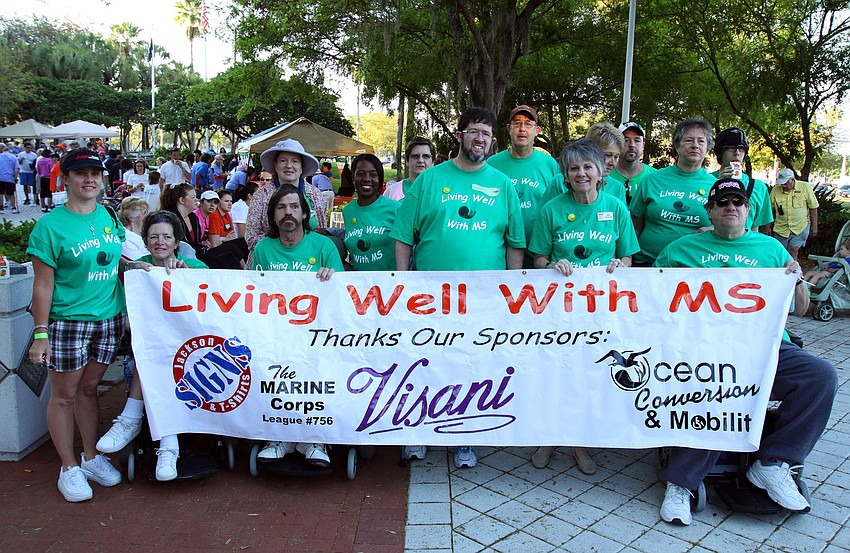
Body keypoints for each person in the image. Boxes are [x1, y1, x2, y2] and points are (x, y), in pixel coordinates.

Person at [653, 178, 836, 525]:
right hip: (704, 352)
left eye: (738, 202)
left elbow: (800, 309)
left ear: (749, 211)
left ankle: (774, 463)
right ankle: (680, 483)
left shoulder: (770, 250)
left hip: (766, 349)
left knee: (821, 376)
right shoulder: (680, 250)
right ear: (710, 211)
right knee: (720, 384)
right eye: (722, 203)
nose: (731, 207)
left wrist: (796, 279)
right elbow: (651, 303)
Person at [390, 106, 525, 468]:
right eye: (472, 131)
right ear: (459, 136)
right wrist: (403, 284)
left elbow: (515, 242)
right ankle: (417, 433)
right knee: (425, 363)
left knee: (472, 365)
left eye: (485, 134)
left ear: (492, 141)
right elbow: (404, 236)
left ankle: (464, 436)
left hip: (483, 297)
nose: (479, 139)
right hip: (430, 295)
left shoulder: (503, 184)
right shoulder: (430, 180)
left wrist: (510, 293)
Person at [26, 149, 154, 502]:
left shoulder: (108, 215)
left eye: (94, 173)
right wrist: (41, 333)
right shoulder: (49, 226)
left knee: (88, 389)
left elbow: (112, 259)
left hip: (108, 320)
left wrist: (135, 267)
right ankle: (68, 467)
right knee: (64, 395)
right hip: (68, 323)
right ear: (65, 179)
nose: (89, 179)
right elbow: (42, 284)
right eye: (80, 173)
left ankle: (91, 457)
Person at [527, 138, 639, 475]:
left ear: (602, 171)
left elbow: (628, 256)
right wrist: (550, 267)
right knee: (558, 372)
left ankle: (579, 442)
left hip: (601, 308)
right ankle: (548, 438)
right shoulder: (552, 210)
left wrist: (621, 266)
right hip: (560, 309)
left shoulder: (617, 208)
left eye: (587, 167)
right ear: (565, 173)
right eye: (574, 168)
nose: (581, 173)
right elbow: (538, 258)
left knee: (588, 373)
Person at [97, 210, 208, 481]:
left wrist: (189, 277)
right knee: (155, 355)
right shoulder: (137, 270)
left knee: (162, 358)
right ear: (145, 241)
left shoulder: (196, 268)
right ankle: (168, 446)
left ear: (177, 241)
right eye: (154, 237)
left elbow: (211, 315)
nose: (160, 242)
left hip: (192, 350)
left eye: (167, 237)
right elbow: (125, 319)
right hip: (149, 349)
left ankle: (132, 419)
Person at [252, 185, 343, 467]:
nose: (288, 212)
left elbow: (343, 295)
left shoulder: (324, 246)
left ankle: (315, 438)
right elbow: (248, 291)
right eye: (281, 207)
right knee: (275, 380)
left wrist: (332, 277)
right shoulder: (263, 248)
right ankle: (280, 436)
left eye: (294, 206)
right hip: (275, 334)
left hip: (316, 334)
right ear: (273, 216)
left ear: (305, 213)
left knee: (315, 381)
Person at [629, 116, 717, 266]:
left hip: (694, 265)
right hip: (648, 263)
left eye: (701, 141)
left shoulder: (716, 187)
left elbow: (730, 228)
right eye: (688, 140)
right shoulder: (652, 180)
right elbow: (634, 228)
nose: (695, 145)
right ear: (677, 146)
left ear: (707, 147)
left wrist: (714, 229)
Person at [487, 106, 564, 267]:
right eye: (517, 123)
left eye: (528, 124)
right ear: (509, 128)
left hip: (541, 252)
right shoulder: (492, 164)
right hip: (502, 250)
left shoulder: (549, 164)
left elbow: (560, 205)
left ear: (537, 130)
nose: (522, 129)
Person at [245, 139, 328, 267]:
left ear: (302, 167)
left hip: (309, 264)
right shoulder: (261, 197)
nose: (289, 166)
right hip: (268, 265)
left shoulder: (315, 195)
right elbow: (251, 239)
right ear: (275, 165)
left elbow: (322, 232)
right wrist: (285, 243)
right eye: (283, 160)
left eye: (295, 161)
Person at [710, 127, 773, 233]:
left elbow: (754, 227)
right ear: (720, 152)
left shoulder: (758, 187)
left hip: (744, 246)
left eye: (742, 148)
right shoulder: (706, 181)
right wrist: (717, 183)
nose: (737, 153)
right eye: (730, 148)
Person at [343, 154, 398, 270]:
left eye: (373, 175)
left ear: (380, 178)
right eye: (360, 174)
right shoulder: (347, 211)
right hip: (359, 284)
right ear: (353, 177)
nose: (367, 179)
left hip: (390, 284)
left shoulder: (396, 208)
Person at [770, 168, 819, 260]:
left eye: (785, 183)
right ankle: (781, 272)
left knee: (793, 250)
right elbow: (768, 210)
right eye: (781, 183)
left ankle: (793, 272)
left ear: (792, 179)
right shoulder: (775, 190)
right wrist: (768, 227)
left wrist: (814, 226)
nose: (783, 185)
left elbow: (813, 207)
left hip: (800, 227)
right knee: (781, 253)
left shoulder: (805, 187)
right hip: (781, 229)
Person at [608, 122, 656, 204]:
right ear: (617, 144)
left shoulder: (654, 177)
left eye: (637, 140)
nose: (632, 145)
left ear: (643, 145)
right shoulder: (604, 175)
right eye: (626, 140)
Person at [584, 122, 627, 205]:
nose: (613, 163)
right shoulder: (560, 182)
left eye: (616, 157)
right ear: (589, 151)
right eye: (607, 155)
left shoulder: (617, 187)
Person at [384, 137, 436, 201]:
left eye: (426, 156)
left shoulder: (442, 192)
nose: (420, 160)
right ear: (407, 161)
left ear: (433, 162)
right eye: (415, 156)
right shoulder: (392, 191)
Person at [161, 183, 204, 255]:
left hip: (197, 255)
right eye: (193, 197)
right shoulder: (169, 219)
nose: (196, 200)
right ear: (182, 200)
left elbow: (198, 244)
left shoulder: (193, 217)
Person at [0, 143, 19, 213]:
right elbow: (17, 168)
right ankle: (13, 207)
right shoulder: (13, 157)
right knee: (11, 193)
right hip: (10, 178)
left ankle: (1, 208)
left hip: (1, 177)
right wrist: (16, 177)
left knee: (1, 193)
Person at [36, 148, 55, 212]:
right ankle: (49, 206)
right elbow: (52, 169)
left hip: (42, 177)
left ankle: (43, 206)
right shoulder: (50, 161)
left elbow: (37, 169)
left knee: (42, 192)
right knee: (49, 192)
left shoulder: (39, 160)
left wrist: (41, 173)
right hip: (49, 178)